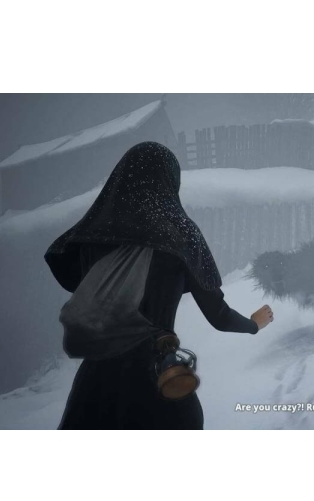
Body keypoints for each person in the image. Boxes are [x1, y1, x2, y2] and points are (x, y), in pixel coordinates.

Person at [44, 141, 273, 430]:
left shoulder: (94, 236)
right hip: (158, 377)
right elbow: (219, 316)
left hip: (95, 387)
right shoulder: (180, 233)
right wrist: (253, 324)